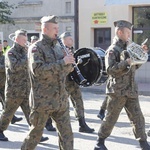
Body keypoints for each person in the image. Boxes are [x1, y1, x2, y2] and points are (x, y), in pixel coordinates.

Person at [94, 20, 150, 150]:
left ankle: (143, 142)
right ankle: (99, 142)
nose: (129, 35)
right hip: (117, 91)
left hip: (131, 89)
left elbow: (134, 67)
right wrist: (126, 62)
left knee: (138, 117)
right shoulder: (113, 50)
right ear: (119, 32)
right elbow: (110, 70)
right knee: (110, 118)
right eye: (127, 32)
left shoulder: (129, 48)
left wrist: (140, 56)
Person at [21, 15, 74, 150]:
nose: (58, 30)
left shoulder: (57, 48)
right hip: (42, 101)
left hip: (60, 100)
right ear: (45, 29)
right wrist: (63, 62)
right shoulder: (36, 48)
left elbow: (64, 71)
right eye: (55, 28)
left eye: (58, 27)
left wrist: (70, 63)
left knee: (67, 136)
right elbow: (38, 71)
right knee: (35, 135)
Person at [0, 29, 48, 142]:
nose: (25, 42)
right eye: (23, 40)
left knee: (31, 113)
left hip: (26, 89)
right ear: (16, 40)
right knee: (8, 113)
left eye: (26, 39)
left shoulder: (25, 52)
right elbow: (15, 67)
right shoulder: (11, 52)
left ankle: (36, 135)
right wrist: (27, 58)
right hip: (14, 91)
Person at [59, 31, 94, 133]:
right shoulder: (59, 51)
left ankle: (82, 124)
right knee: (62, 104)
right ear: (63, 40)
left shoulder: (74, 50)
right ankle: (50, 122)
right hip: (64, 81)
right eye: (69, 39)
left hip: (74, 81)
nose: (72, 40)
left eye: (72, 38)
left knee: (78, 102)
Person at [30, 35, 56, 132]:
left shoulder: (52, 49)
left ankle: (46, 125)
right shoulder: (33, 50)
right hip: (32, 86)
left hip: (51, 87)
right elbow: (38, 69)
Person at [0, 42, 23, 124]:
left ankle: (12, 118)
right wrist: (6, 67)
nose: (1, 47)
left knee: (6, 102)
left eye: (1, 45)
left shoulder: (3, 56)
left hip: (3, 83)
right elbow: (6, 67)